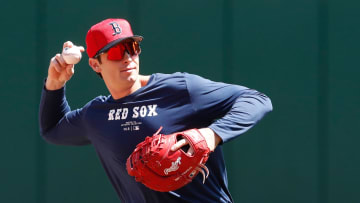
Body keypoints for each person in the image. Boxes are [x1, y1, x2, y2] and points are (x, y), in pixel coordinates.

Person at [39, 18, 273, 203]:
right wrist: (55, 85)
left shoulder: (180, 89)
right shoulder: (96, 115)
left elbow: (256, 99)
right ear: (95, 64)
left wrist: (211, 135)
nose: (128, 57)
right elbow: (52, 129)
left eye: (132, 47)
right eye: (115, 52)